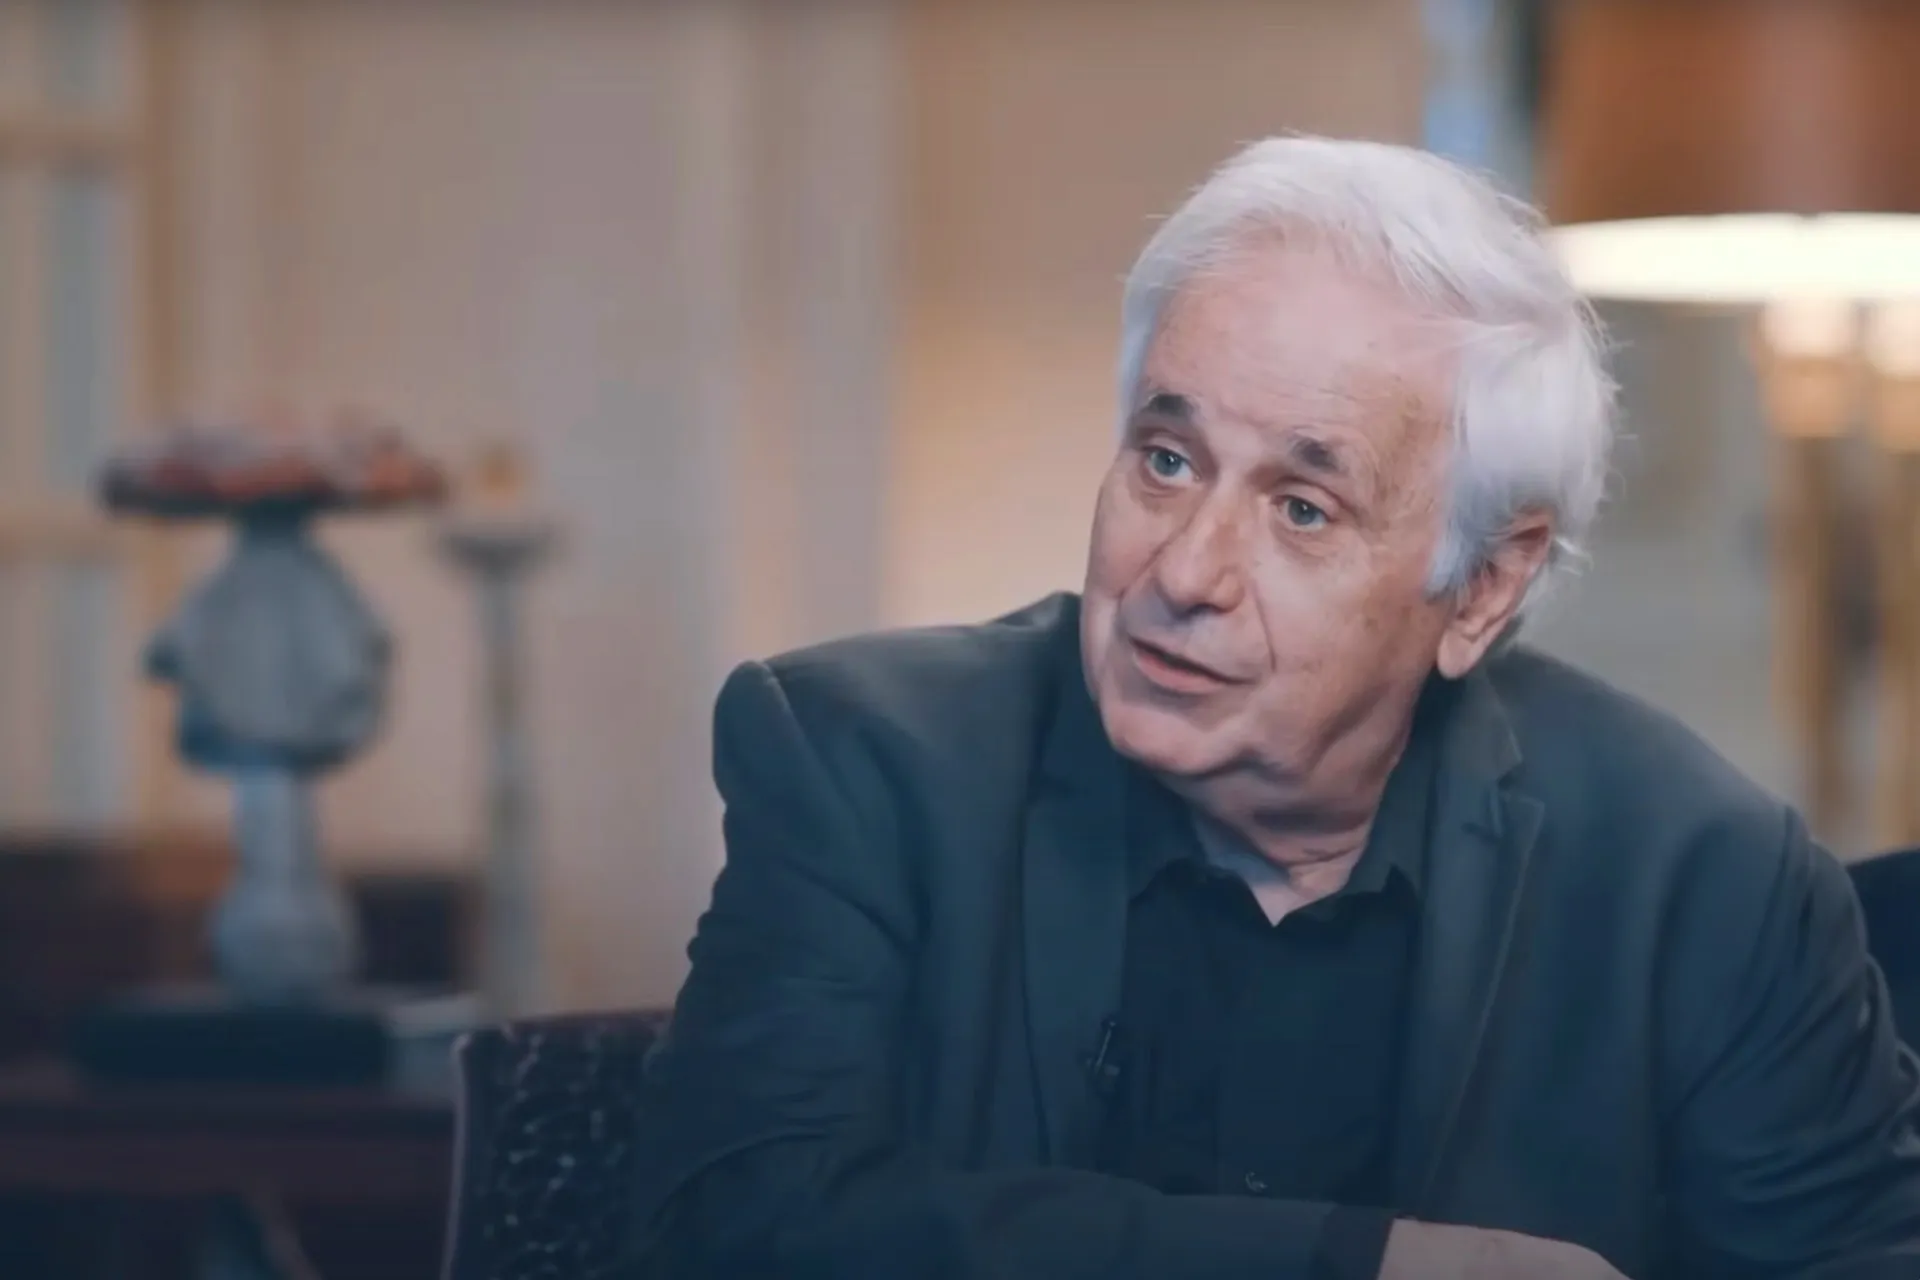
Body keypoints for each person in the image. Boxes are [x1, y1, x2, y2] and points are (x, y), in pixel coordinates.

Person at [627, 137, 1920, 1279]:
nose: (1184, 572)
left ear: (1482, 586)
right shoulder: (868, 765)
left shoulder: (1700, 877)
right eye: (1167, 459)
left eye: (1303, 509)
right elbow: (735, 1230)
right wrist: (1357, 1264)